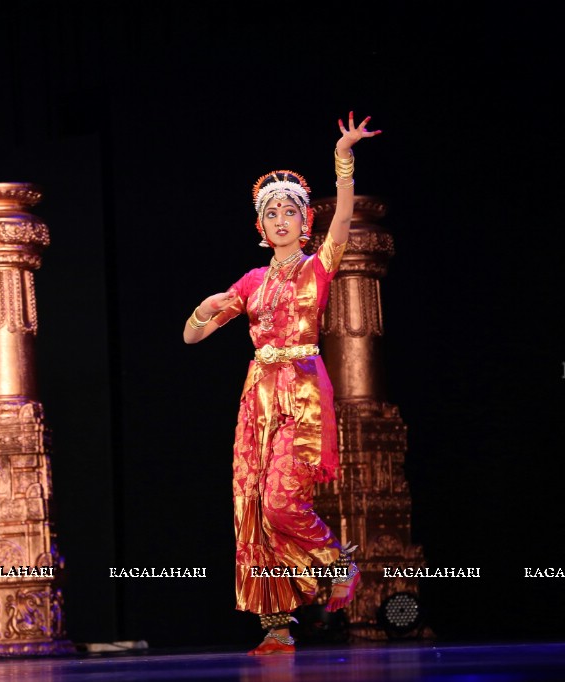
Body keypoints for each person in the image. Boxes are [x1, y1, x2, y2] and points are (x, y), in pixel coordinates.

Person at [183, 113, 380, 655]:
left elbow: (342, 217)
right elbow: (191, 338)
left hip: (302, 390)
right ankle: (276, 627)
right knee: (252, 505)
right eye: (271, 213)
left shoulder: (320, 267)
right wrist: (204, 310)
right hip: (258, 395)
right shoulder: (249, 282)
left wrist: (344, 157)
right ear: (260, 227)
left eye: (290, 210)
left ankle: (335, 561)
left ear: (303, 222)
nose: (281, 218)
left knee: (280, 502)